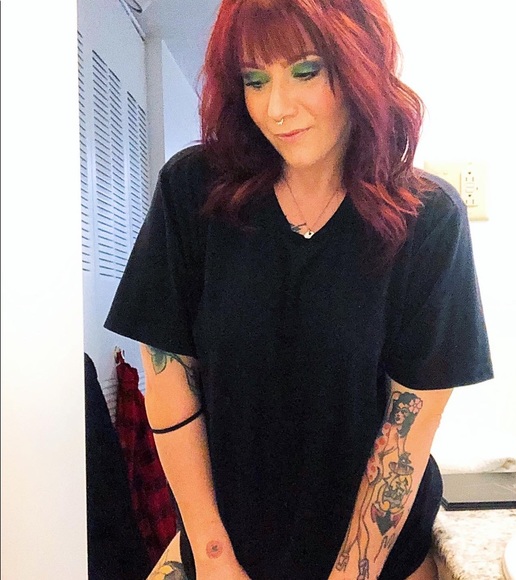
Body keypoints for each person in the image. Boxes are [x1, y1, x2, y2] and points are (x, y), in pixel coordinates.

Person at [105, 0, 493, 578]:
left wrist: (351, 574)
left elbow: (407, 432)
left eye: (305, 71)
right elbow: (168, 383)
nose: (277, 108)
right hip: (222, 552)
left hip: (375, 559)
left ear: (360, 65)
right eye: (255, 81)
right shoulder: (193, 192)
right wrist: (213, 556)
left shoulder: (427, 219)